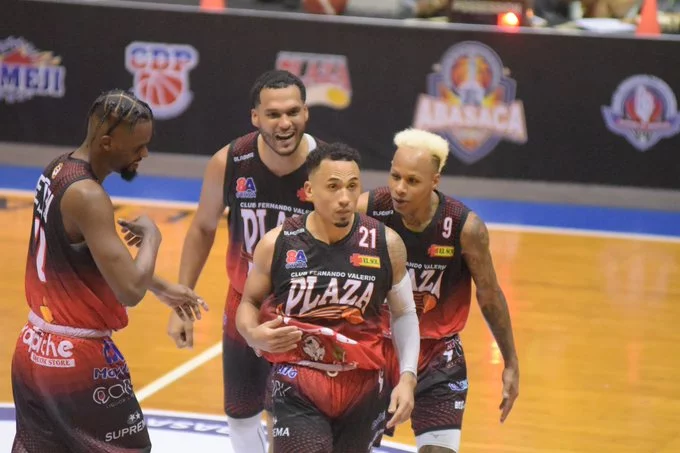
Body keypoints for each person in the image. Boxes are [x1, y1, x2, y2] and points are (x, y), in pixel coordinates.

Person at [11, 89, 208, 453]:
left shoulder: (57, 168)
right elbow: (128, 291)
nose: (144, 154)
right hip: (77, 361)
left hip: (33, 348)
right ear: (106, 142)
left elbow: (87, 261)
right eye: (138, 146)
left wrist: (161, 287)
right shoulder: (88, 196)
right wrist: (153, 236)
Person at [166, 69, 322, 452]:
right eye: (273, 114)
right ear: (255, 117)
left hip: (305, 312)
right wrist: (181, 303)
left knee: (299, 415)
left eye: (293, 111)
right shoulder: (230, 161)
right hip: (244, 305)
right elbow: (202, 228)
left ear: (306, 113)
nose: (284, 123)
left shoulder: (327, 168)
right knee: (240, 412)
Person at [235, 142, 421, 452]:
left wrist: (408, 378)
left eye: (352, 186)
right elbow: (249, 303)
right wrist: (253, 334)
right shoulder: (276, 244)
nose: (345, 198)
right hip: (297, 379)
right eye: (333, 187)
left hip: (362, 383)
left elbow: (404, 314)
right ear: (308, 191)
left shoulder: (386, 244)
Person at [358, 128, 520, 453]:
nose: (400, 189)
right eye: (395, 176)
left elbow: (489, 296)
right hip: (376, 349)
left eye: (413, 181)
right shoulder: (368, 211)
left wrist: (511, 361)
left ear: (435, 180)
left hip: (438, 355)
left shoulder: (464, 228)